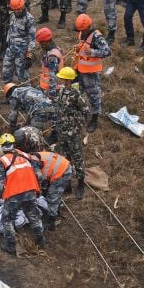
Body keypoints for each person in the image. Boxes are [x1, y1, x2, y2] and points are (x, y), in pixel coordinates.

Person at [0, 133, 46, 255]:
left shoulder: (3, 160)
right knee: (34, 216)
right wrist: (37, 189)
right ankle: (41, 241)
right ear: (14, 144)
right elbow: (39, 174)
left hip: (14, 194)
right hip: (30, 191)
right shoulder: (26, 155)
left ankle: (10, 246)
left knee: (7, 219)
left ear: (2, 147)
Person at [54, 67, 89, 199]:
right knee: (65, 157)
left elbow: (85, 111)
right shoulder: (61, 90)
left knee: (77, 157)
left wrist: (76, 126)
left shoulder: (76, 94)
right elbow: (59, 109)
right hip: (62, 131)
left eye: (61, 77)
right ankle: (67, 183)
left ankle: (80, 184)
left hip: (73, 133)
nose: (59, 79)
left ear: (67, 80)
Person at [72, 13, 110, 133]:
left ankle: (94, 118)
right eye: (80, 30)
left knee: (94, 96)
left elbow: (107, 51)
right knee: (77, 92)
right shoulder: (81, 33)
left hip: (92, 73)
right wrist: (78, 48)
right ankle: (79, 112)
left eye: (83, 30)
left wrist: (92, 52)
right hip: (80, 70)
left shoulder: (97, 37)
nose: (81, 32)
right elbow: (82, 47)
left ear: (88, 26)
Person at [30, 150, 72, 231]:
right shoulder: (33, 157)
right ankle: (57, 210)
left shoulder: (33, 165)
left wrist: (37, 191)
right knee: (51, 193)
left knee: (52, 198)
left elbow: (39, 178)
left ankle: (51, 223)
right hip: (62, 166)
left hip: (62, 172)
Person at [1, 0, 35, 85]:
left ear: (23, 6)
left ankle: (26, 94)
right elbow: (11, 29)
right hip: (10, 49)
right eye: (14, 9)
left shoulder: (29, 19)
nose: (16, 11)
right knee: (6, 73)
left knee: (23, 77)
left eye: (18, 9)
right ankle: (9, 95)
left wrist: (29, 56)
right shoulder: (12, 15)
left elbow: (32, 39)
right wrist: (6, 43)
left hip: (22, 53)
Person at [36, 27, 64, 99]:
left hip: (50, 90)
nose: (40, 45)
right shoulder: (53, 49)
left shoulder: (52, 56)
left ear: (46, 42)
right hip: (46, 87)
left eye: (41, 43)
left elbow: (53, 77)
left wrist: (51, 95)